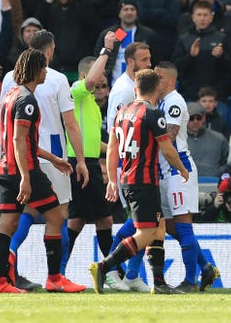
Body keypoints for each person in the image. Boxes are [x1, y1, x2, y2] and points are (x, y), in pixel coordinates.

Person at [0, 30, 89, 291]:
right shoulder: (58, 78)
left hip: (13, 157)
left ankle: (10, 257)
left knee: (22, 212)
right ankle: (57, 275)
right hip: (44, 155)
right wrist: (79, 159)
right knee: (58, 213)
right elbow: (70, 123)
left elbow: (4, 126)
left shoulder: (8, 80)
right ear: (49, 51)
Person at [89, 69, 190, 295]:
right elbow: (167, 149)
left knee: (159, 228)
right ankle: (104, 267)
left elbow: (113, 148)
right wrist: (182, 169)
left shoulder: (122, 112)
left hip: (127, 177)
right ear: (156, 89)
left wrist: (113, 180)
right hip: (143, 180)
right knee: (145, 234)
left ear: (136, 88)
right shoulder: (153, 113)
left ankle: (160, 283)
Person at [155, 62, 220, 292]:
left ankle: (190, 281)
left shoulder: (174, 102)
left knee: (183, 227)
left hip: (178, 169)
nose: (155, 80)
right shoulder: (160, 101)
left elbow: (169, 137)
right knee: (170, 228)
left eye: (159, 77)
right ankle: (205, 267)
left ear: (171, 81)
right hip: (164, 170)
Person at [103, 41, 153, 292]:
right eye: (144, 60)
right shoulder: (123, 91)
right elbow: (116, 137)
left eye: (149, 59)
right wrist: (113, 176)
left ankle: (132, 274)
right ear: (131, 62)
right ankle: (110, 268)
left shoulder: (134, 89)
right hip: (130, 167)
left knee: (145, 223)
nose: (149, 64)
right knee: (138, 223)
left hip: (139, 166)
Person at [65, 41, 116, 276]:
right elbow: (90, 81)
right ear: (86, 75)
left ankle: (58, 270)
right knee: (104, 220)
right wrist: (105, 51)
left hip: (86, 162)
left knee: (77, 220)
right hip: (82, 164)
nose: (101, 85)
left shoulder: (91, 105)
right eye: (98, 79)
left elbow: (94, 144)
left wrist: (116, 150)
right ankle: (113, 273)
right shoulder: (77, 91)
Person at [35, 0, 97, 74]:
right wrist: (48, 1)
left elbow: (92, 24)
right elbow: (37, 25)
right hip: (55, 66)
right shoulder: (49, 9)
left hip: (77, 67)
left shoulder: (82, 8)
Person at [172, 0, 231, 102]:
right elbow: (176, 67)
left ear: (211, 17)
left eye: (205, 15)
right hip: (190, 95)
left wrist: (220, 57)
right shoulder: (184, 39)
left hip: (216, 96)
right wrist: (190, 56)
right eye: (199, 15)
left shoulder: (222, 39)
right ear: (193, 18)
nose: (202, 18)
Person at [94, 0, 159, 85]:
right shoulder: (110, 35)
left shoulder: (147, 34)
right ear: (119, 13)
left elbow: (155, 60)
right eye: (125, 9)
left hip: (141, 86)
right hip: (113, 85)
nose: (129, 12)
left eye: (132, 9)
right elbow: (97, 58)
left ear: (137, 13)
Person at [187, 101, 229, 178]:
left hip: (213, 182)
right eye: (191, 118)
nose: (195, 121)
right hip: (184, 183)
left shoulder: (219, 139)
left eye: (198, 118)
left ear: (204, 118)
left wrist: (217, 173)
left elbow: (225, 162)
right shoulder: (177, 141)